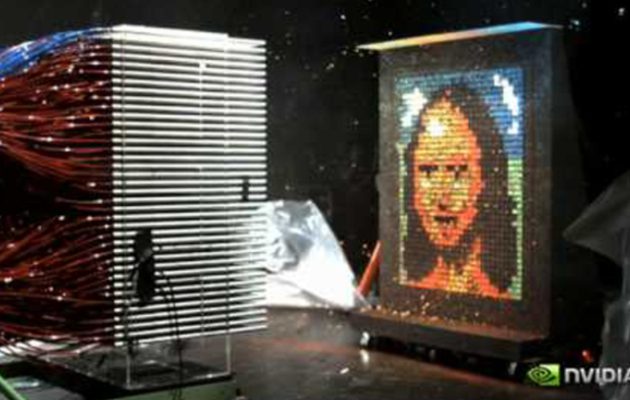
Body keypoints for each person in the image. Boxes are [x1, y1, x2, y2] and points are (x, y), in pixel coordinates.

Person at [403, 85, 517, 299]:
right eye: (427, 171)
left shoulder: (504, 302)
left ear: (486, 180)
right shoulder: (411, 291)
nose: (441, 196)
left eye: (457, 171)